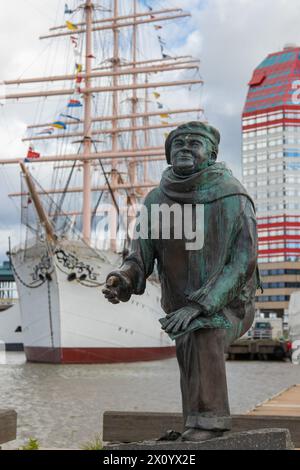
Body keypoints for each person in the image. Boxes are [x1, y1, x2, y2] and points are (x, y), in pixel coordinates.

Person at [103, 122, 259, 442]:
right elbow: (139, 259)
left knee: (204, 331)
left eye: (194, 143)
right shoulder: (155, 201)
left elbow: (244, 260)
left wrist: (202, 304)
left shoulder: (233, 195)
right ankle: (195, 424)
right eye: (178, 144)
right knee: (189, 343)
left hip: (229, 304)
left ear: (212, 154)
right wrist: (123, 279)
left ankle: (210, 423)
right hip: (180, 309)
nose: (185, 148)